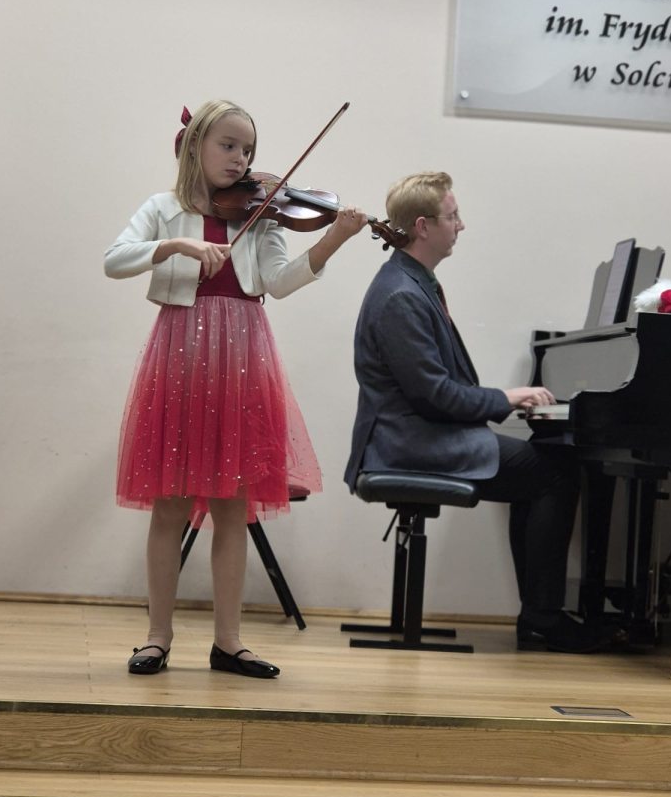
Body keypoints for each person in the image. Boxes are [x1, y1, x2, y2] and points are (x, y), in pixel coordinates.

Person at [105, 99, 367, 678]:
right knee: (170, 505)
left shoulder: (261, 216)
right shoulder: (163, 208)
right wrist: (177, 246)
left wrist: (334, 239)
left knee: (233, 506)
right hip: (180, 358)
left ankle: (229, 642)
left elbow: (279, 281)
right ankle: (156, 637)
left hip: (244, 361)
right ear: (195, 144)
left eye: (247, 150)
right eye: (228, 145)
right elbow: (115, 260)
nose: (240, 159)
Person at [344, 171, 602, 654]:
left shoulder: (411, 282)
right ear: (423, 226)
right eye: (453, 216)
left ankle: (539, 614)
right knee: (555, 472)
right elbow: (434, 396)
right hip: (406, 444)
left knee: (547, 466)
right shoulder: (402, 295)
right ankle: (543, 617)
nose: (461, 225)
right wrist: (508, 397)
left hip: (412, 434)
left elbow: (437, 391)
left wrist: (504, 400)